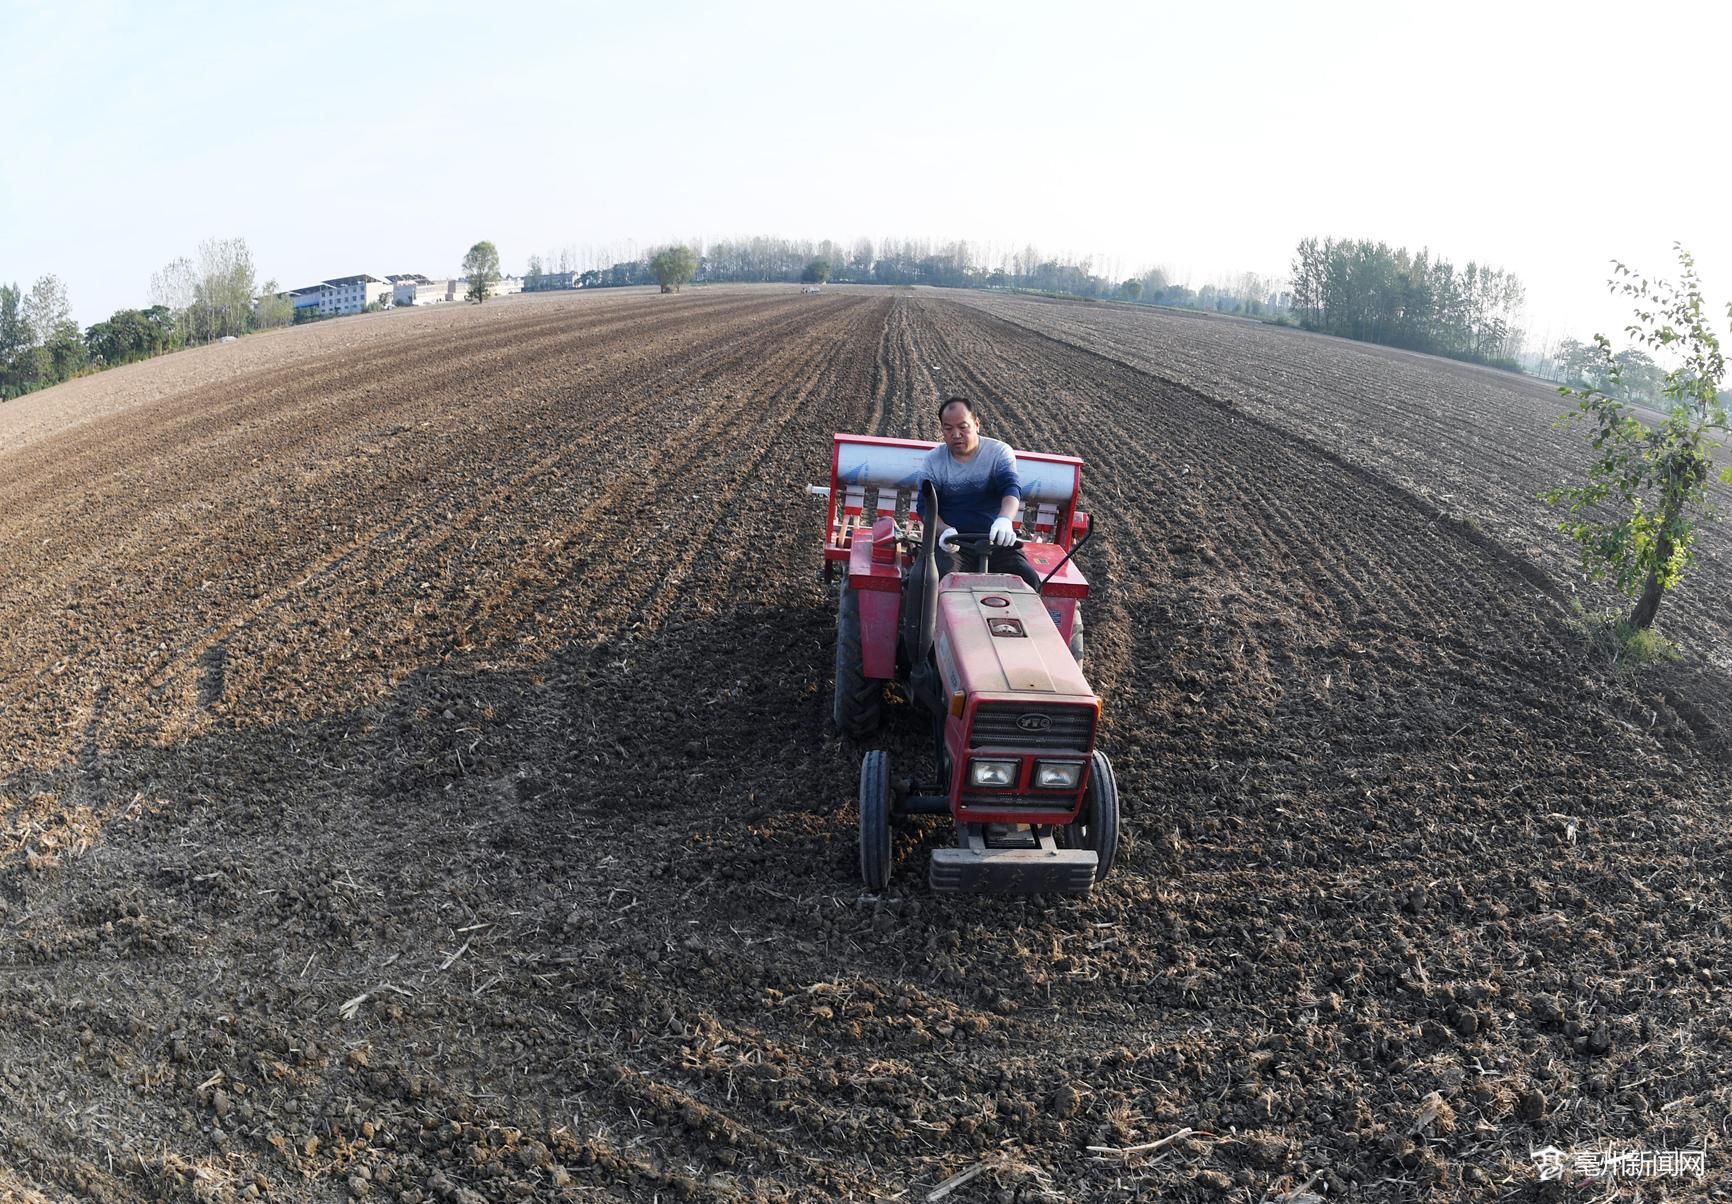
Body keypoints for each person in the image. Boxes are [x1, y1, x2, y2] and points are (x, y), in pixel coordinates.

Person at [915, 395, 1044, 592]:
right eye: (948, 429)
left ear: (976, 424)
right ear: (942, 430)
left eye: (963, 426)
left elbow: (1011, 489)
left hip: (996, 541)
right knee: (938, 582)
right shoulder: (933, 462)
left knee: (1027, 580)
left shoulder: (998, 453)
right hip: (954, 543)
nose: (956, 434)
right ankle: (928, 623)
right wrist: (944, 530)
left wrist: (1004, 520)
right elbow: (925, 507)